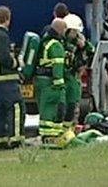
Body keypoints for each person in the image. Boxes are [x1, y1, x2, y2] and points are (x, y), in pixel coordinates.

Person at [0, 6, 25, 150]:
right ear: (6, 19)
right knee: (16, 107)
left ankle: (0, 140)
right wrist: (16, 62)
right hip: (5, 77)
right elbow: (4, 58)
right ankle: (16, 139)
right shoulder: (2, 35)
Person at [35, 18, 67, 147]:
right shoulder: (55, 45)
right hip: (50, 83)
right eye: (64, 29)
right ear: (60, 30)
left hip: (40, 81)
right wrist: (59, 85)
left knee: (44, 108)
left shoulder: (44, 41)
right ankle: (51, 136)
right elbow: (57, 66)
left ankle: (45, 135)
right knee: (53, 109)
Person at [62, 14, 94, 130]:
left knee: (75, 105)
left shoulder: (79, 41)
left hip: (75, 77)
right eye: (75, 32)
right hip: (68, 77)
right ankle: (68, 128)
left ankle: (72, 128)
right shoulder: (63, 44)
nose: (77, 34)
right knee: (69, 105)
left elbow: (91, 50)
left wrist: (83, 44)